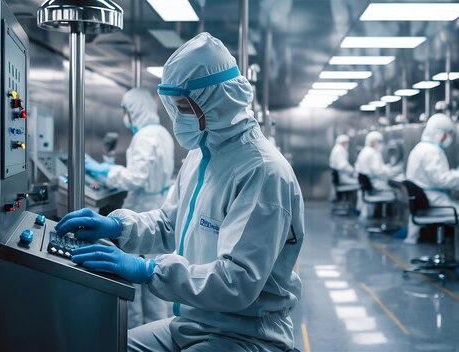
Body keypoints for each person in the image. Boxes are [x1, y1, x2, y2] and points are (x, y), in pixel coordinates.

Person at [55, 32, 304, 351]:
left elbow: (236, 282)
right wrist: (119, 227)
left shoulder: (262, 171)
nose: (178, 117)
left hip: (246, 332)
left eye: (184, 106)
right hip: (193, 321)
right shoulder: (202, 155)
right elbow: (170, 223)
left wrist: (148, 269)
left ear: (218, 101)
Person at [84, 88, 175, 327]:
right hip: (157, 206)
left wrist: (104, 170)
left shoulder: (145, 136)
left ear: (133, 110)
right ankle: (156, 331)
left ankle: (133, 334)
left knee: (132, 286)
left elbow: (135, 178)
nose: (125, 116)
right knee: (155, 283)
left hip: (142, 209)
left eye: (125, 110)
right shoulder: (162, 132)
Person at [404, 113, 459, 283]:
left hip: (429, 201)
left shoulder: (420, 148)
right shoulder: (431, 151)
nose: (448, 138)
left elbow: (437, 177)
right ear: (441, 133)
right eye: (448, 134)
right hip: (435, 202)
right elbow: (441, 179)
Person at [354, 131, 399, 218]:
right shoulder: (373, 153)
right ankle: (388, 218)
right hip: (375, 184)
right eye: (379, 142)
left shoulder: (365, 151)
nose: (380, 144)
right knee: (396, 191)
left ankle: (378, 216)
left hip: (368, 185)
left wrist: (386, 169)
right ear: (373, 142)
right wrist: (391, 172)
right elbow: (378, 170)